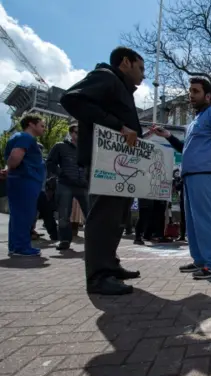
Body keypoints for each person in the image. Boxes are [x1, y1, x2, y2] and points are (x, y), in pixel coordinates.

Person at [61, 46, 145, 295]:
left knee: (116, 219)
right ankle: (98, 276)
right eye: (140, 68)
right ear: (125, 62)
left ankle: (110, 265)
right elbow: (71, 98)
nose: (143, 75)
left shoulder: (120, 87)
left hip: (120, 165)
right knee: (103, 217)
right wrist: (118, 126)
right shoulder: (106, 77)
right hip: (104, 163)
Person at [152, 77, 211, 279]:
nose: (191, 95)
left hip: (205, 174)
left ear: (208, 96)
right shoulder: (194, 122)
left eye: (195, 91)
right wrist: (168, 136)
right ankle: (201, 261)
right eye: (190, 91)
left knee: (206, 219)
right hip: (190, 176)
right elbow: (185, 149)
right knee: (194, 221)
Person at [3, 114, 46, 257]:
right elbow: (15, 157)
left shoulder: (18, 137)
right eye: (42, 125)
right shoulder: (26, 138)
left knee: (18, 215)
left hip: (21, 180)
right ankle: (22, 247)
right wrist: (12, 167)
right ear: (31, 124)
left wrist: (9, 170)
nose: (44, 129)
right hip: (26, 181)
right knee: (25, 214)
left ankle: (15, 246)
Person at [46, 123, 89, 250]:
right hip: (65, 184)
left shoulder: (86, 149)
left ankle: (94, 241)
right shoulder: (60, 146)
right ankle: (64, 240)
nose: (79, 135)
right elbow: (50, 163)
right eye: (76, 132)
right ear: (71, 133)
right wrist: (61, 173)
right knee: (64, 214)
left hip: (83, 185)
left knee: (91, 213)